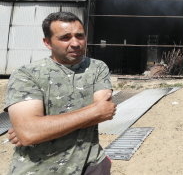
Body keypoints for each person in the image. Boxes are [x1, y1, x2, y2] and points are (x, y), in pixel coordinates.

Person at [4, 12, 116, 175]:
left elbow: (105, 112)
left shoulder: (97, 68)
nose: (76, 43)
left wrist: (39, 128)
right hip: (41, 168)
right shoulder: (27, 74)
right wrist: (94, 111)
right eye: (65, 37)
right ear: (47, 43)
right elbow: (29, 133)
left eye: (80, 36)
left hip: (90, 164)